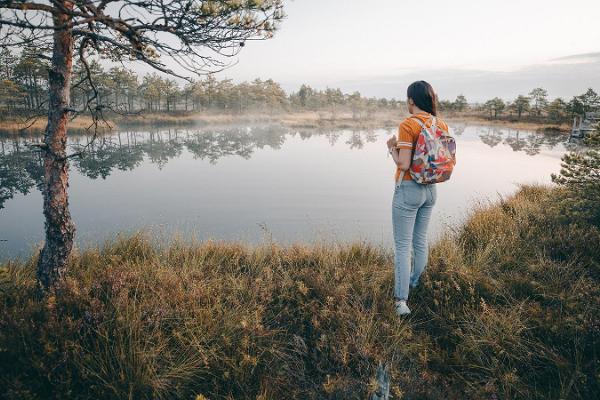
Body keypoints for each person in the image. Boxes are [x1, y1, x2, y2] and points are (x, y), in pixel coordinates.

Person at [386, 80, 450, 316]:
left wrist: (391, 148)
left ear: (411, 100)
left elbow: (403, 163)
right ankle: (414, 282)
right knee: (419, 241)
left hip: (409, 188)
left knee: (402, 246)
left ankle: (401, 301)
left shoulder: (408, 124)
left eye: (407, 98)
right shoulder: (440, 123)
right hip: (431, 189)